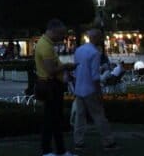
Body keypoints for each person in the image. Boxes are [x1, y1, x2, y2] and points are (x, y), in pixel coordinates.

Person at [35, 19, 78, 156]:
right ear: (53, 31)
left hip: (50, 84)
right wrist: (66, 66)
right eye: (60, 34)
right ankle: (51, 150)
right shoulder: (46, 46)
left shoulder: (45, 43)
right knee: (52, 118)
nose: (61, 37)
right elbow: (51, 70)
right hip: (51, 85)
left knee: (52, 118)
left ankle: (55, 149)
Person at [73, 29, 117, 151]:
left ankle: (78, 142)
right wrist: (99, 92)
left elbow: (76, 72)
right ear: (97, 38)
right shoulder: (94, 53)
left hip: (79, 88)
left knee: (79, 117)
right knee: (99, 115)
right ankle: (108, 141)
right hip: (90, 89)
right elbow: (95, 76)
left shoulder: (79, 50)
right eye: (100, 38)